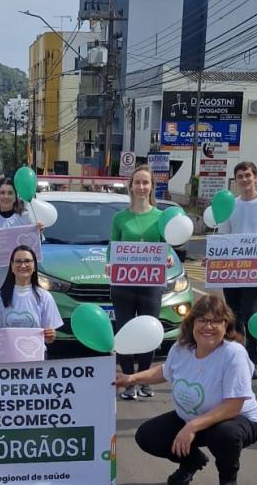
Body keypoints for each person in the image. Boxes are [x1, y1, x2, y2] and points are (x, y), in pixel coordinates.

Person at [116, 295, 257, 485]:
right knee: (147, 436)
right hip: (192, 418)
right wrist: (131, 378)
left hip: (235, 419)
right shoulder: (181, 347)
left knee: (225, 434)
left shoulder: (234, 354)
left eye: (216, 321)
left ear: (226, 325)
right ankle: (191, 462)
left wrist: (192, 427)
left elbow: (233, 406)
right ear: (192, 323)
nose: (208, 326)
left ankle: (228, 480)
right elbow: (165, 371)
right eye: (202, 320)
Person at [107, 165, 172, 400]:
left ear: (152, 186)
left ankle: (144, 379)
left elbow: (168, 248)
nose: (142, 187)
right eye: (137, 182)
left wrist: (167, 259)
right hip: (123, 284)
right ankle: (127, 381)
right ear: (131, 186)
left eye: (146, 183)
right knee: (123, 330)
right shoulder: (120, 218)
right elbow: (112, 247)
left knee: (149, 331)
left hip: (151, 284)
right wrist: (109, 265)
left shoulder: (161, 217)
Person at [217, 161, 257, 380]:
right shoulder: (230, 205)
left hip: (255, 271)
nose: (244, 180)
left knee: (251, 316)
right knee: (233, 316)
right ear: (235, 181)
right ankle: (237, 358)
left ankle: (252, 360)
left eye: (247, 175)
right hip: (232, 271)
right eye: (240, 176)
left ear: (256, 177)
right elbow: (224, 236)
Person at [0, 245, 63, 350]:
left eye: (27, 261)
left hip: (35, 359)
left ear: (34, 266)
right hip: (8, 359)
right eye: (18, 261)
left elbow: (48, 338)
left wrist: (51, 336)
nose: (23, 265)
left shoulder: (45, 297)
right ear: (12, 266)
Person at [0, 177, 43, 294]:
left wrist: (39, 231)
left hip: (23, 280)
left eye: (10, 193)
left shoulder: (26, 217)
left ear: (16, 196)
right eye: (2, 193)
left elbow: (36, 246)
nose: (6, 196)